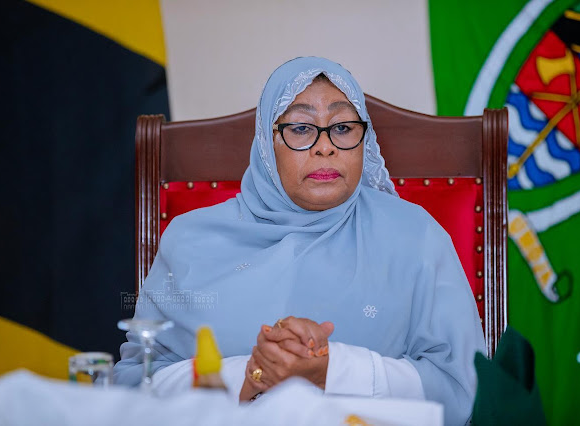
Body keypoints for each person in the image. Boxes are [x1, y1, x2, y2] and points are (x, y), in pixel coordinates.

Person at [114, 57, 485, 425]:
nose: (325, 147)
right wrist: (251, 374)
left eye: (343, 127)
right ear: (267, 142)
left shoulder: (414, 236)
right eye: (302, 128)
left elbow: (463, 388)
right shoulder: (191, 241)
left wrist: (335, 371)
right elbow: (134, 381)